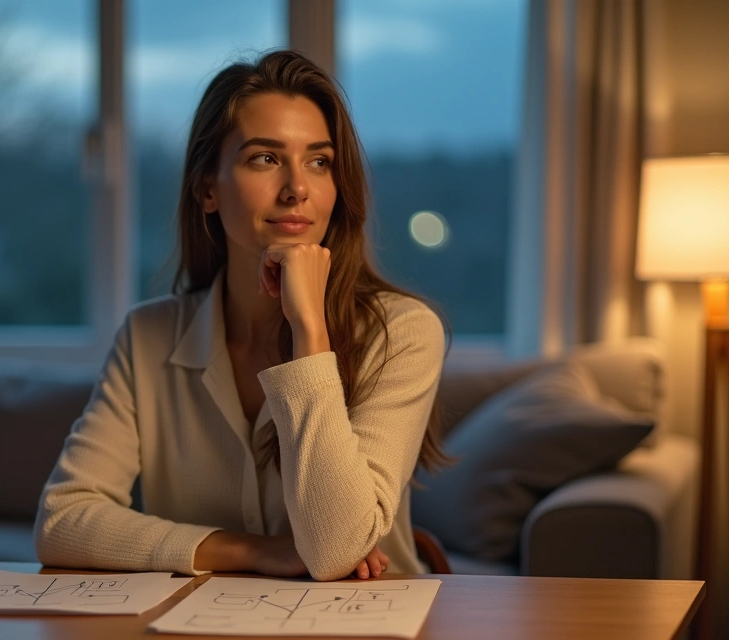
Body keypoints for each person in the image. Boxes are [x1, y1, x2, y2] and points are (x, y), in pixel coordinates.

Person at [34, 49, 449, 581]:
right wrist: (254, 552)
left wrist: (309, 330)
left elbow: (336, 549)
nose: (297, 187)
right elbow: (62, 520)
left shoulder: (404, 333)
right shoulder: (148, 337)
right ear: (208, 188)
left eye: (319, 162)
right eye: (265, 158)